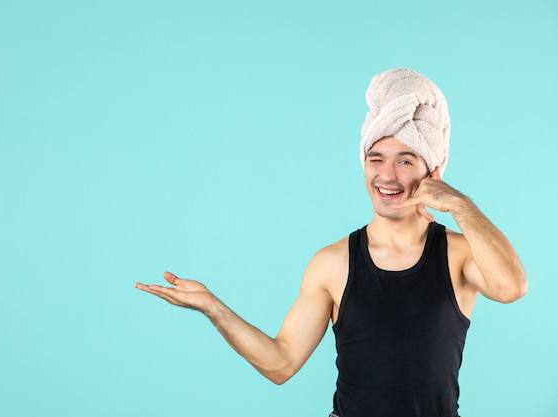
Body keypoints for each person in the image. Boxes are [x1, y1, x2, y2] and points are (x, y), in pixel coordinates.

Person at [135, 68, 527, 417]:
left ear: (433, 172)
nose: (386, 175)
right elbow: (281, 362)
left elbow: (511, 286)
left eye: (406, 160)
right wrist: (211, 306)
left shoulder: (458, 254)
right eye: (376, 158)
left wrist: (458, 202)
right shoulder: (332, 263)